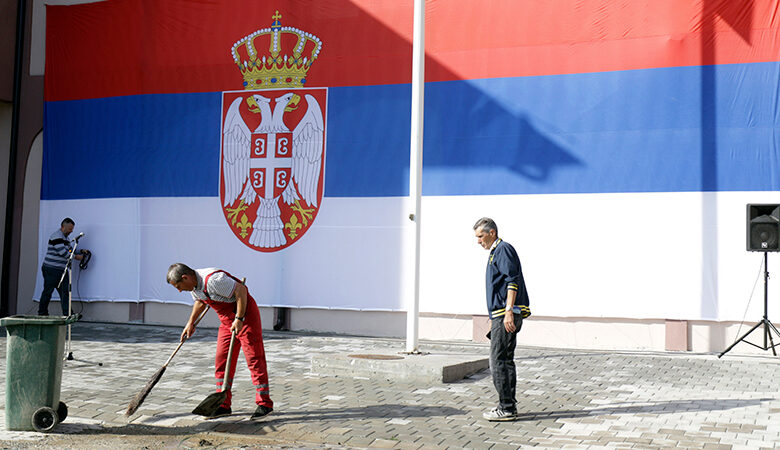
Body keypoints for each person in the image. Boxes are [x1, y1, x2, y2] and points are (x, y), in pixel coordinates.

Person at [167, 263, 273, 420]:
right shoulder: (195, 287)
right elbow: (201, 301)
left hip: (245, 316)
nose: (180, 290)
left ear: (185, 277)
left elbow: (241, 291)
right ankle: (223, 405)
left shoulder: (214, 280)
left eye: (179, 286)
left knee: (254, 359)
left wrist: (239, 318)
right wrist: (191, 323)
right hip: (226, 321)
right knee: (221, 360)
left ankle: (264, 404)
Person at [473, 217, 531, 421]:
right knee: (502, 359)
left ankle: (506, 408)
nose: (478, 241)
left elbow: (511, 280)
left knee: (499, 360)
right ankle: (507, 406)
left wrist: (508, 311)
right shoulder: (495, 253)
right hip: (501, 315)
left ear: (492, 233)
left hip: (506, 314)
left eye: (480, 236)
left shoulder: (503, 249)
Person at [39, 217, 85, 316]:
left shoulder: (66, 238)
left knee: (65, 293)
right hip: (51, 269)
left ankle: (68, 314)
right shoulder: (56, 237)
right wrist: (77, 257)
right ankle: (42, 313)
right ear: (63, 227)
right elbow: (63, 253)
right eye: (69, 229)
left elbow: (69, 250)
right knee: (48, 292)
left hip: (61, 270)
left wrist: (80, 251)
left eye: (72, 229)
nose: (71, 231)